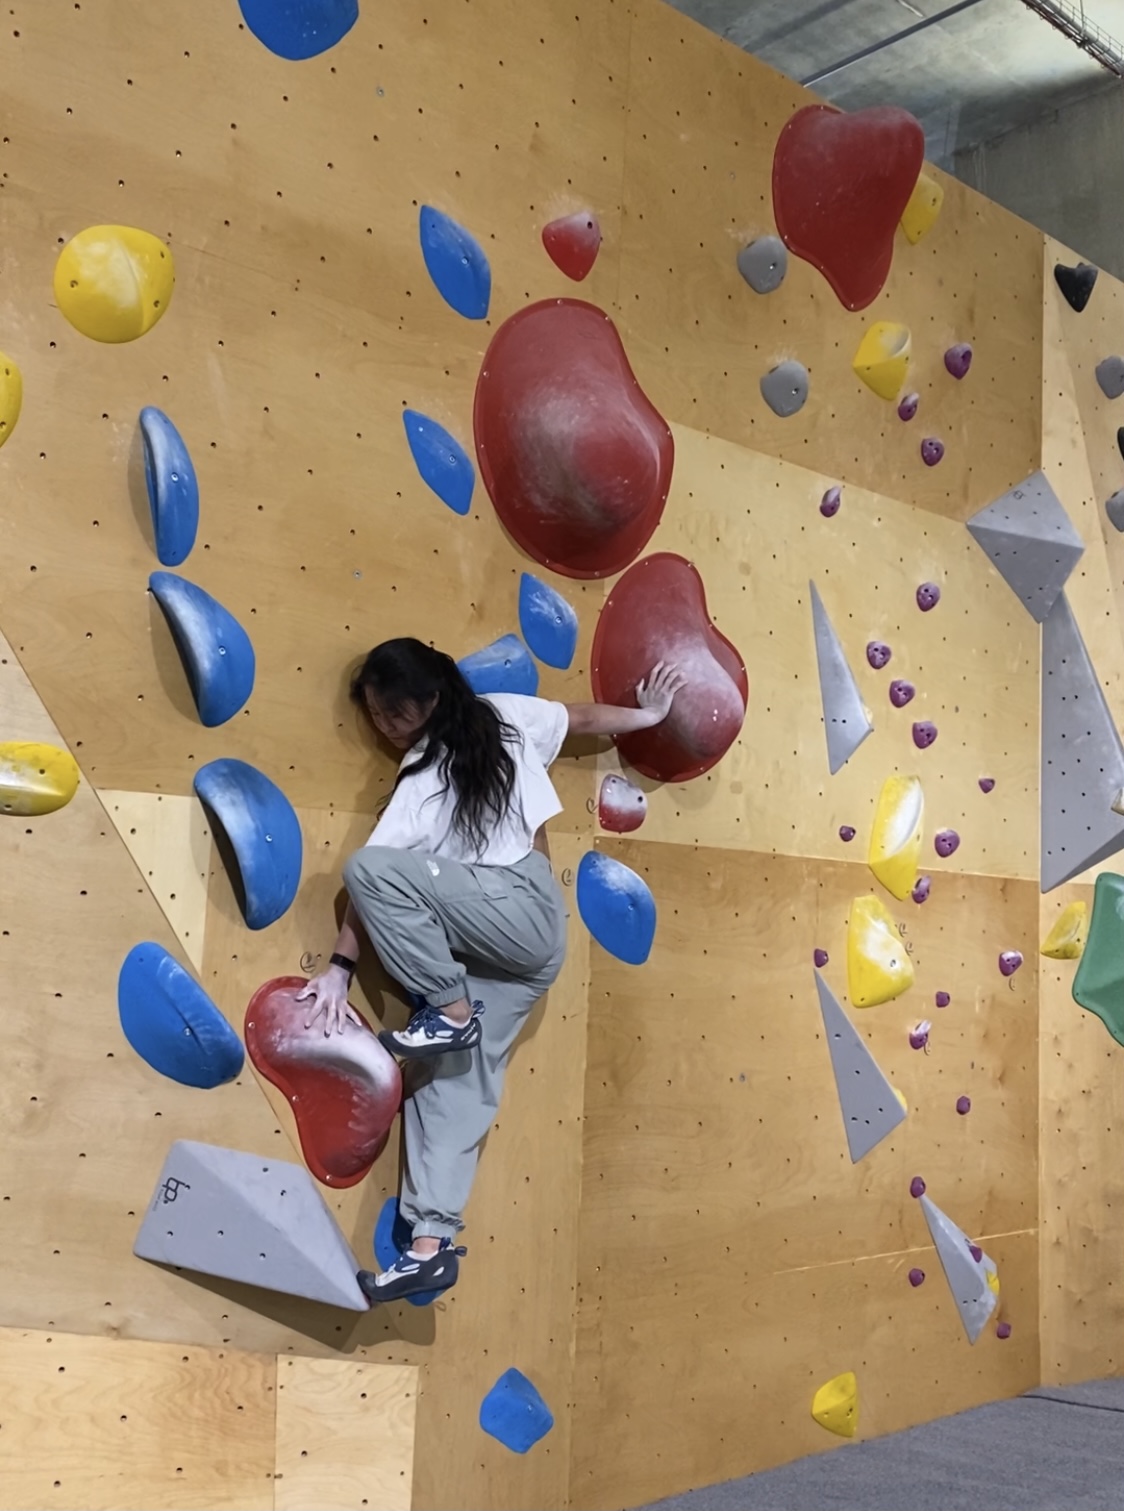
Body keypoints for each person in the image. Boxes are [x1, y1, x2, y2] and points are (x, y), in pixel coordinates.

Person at [298, 637, 685, 1303]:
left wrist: (647, 717)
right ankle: (428, 1248)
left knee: (366, 868)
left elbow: (577, 718)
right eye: (374, 716)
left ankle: (447, 1012)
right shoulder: (468, 739)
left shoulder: (474, 736)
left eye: (394, 713)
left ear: (431, 699)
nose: (384, 728)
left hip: (523, 907)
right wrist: (338, 970)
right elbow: (576, 720)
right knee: (449, 1092)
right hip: (505, 957)